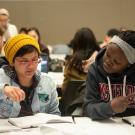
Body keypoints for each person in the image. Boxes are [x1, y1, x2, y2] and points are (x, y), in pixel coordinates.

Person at [0, 34, 60, 118]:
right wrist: (3, 89)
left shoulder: (47, 82)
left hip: (39, 130)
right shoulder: (2, 77)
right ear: (12, 62)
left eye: (34, 60)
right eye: (24, 61)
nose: (31, 66)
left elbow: (55, 115)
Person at [84, 30, 135, 120]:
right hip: (104, 126)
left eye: (116, 62)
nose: (108, 62)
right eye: (107, 55)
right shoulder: (94, 71)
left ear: (129, 64)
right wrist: (110, 107)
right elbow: (88, 109)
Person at [62, 27, 100, 93]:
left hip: (72, 101)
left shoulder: (71, 62)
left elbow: (64, 89)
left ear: (76, 42)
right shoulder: (100, 60)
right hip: (95, 101)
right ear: (93, 41)